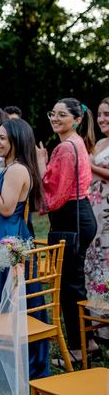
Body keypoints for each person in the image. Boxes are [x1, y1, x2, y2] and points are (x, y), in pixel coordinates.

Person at [0, 119, 49, 386]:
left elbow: (5, 208)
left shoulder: (17, 170)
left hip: (8, 240)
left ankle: (10, 360)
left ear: (17, 139)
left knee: (9, 296)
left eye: (3, 138)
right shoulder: (6, 167)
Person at [37, 97, 97, 364]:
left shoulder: (64, 148)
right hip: (81, 216)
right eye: (53, 113)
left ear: (77, 119)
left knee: (68, 287)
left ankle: (76, 348)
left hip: (71, 218)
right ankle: (88, 342)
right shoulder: (78, 143)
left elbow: (54, 192)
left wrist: (41, 162)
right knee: (75, 284)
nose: (55, 118)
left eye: (62, 115)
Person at [85, 97, 109, 340]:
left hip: (108, 210)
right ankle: (98, 324)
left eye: (107, 114)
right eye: (100, 114)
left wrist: (89, 166)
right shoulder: (100, 142)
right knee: (94, 262)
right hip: (93, 210)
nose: (102, 119)